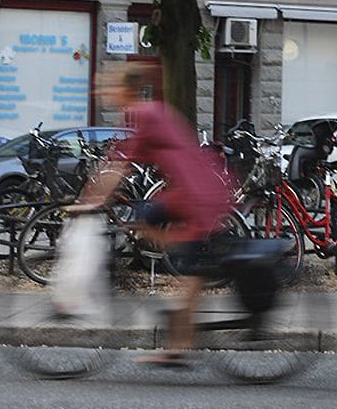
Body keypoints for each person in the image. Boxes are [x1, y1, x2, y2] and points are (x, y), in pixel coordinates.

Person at [70, 62, 233, 367]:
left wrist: (89, 203)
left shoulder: (146, 114)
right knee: (181, 260)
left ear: (126, 90)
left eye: (109, 86)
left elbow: (118, 166)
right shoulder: (149, 112)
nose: (102, 92)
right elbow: (120, 160)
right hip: (193, 192)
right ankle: (178, 341)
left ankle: (177, 334)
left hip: (196, 197)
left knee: (185, 265)